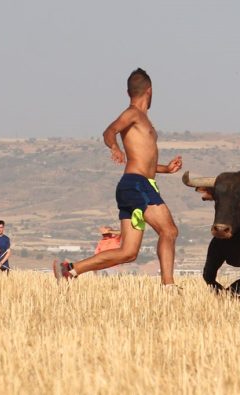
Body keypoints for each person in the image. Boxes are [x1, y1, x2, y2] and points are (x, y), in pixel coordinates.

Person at [53, 68, 182, 286]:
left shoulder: (142, 119)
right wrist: (114, 147)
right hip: (137, 185)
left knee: (128, 253)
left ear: (128, 91)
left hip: (134, 184)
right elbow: (109, 131)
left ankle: (71, 270)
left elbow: (144, 161)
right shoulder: (133, 113)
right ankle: (168, 287)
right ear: (150, 91)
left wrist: (166, 169)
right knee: (169, 231)